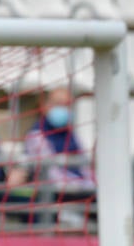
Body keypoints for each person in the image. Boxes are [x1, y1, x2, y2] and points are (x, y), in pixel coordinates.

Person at [20, 86, 95, 221]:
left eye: (67, 105)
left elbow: (85, 165)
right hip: (58, 193)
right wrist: (83, 186)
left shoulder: (71, 134)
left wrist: (93, 185)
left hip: (81, 190)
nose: (63, 109)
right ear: (45, 106)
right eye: (58, 104)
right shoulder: (37, 135)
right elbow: (52, 175)